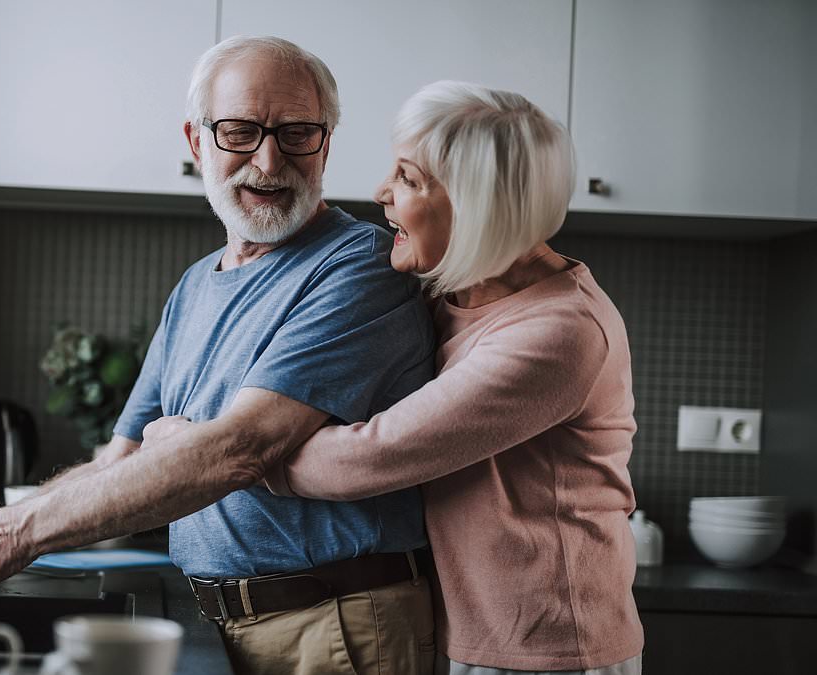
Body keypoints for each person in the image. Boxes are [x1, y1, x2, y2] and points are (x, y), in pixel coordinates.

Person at [0, 36, 439, 674]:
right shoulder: (196, 285)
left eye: (296, 134)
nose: (268, 160)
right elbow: (119, 460)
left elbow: (242, 448)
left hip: (336, 627)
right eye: (238, 132)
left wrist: (16, 534)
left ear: (326, 143)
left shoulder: (359, 267)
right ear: (196, 141)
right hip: (225, 620)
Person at [152, 80, 644, 674]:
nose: (382, 192)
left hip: (543, 647)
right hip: (473, 630)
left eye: (409, 179)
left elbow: (369, 457)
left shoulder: (557, 333)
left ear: (475, 202)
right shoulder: (452, 297)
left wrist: (217, 450)